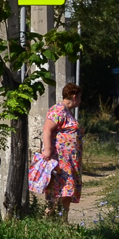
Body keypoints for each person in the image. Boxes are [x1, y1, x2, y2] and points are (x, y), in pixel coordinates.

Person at [42, 83, 82, 219]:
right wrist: (47, 150)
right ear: (75, 97)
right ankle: (49, 217)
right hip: (60, 160)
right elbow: (47, 129)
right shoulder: (58, 109)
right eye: (80, 97)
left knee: (67, 190)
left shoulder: (66, 111)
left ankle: (63, 219)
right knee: (58, 189)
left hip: (69, 161)